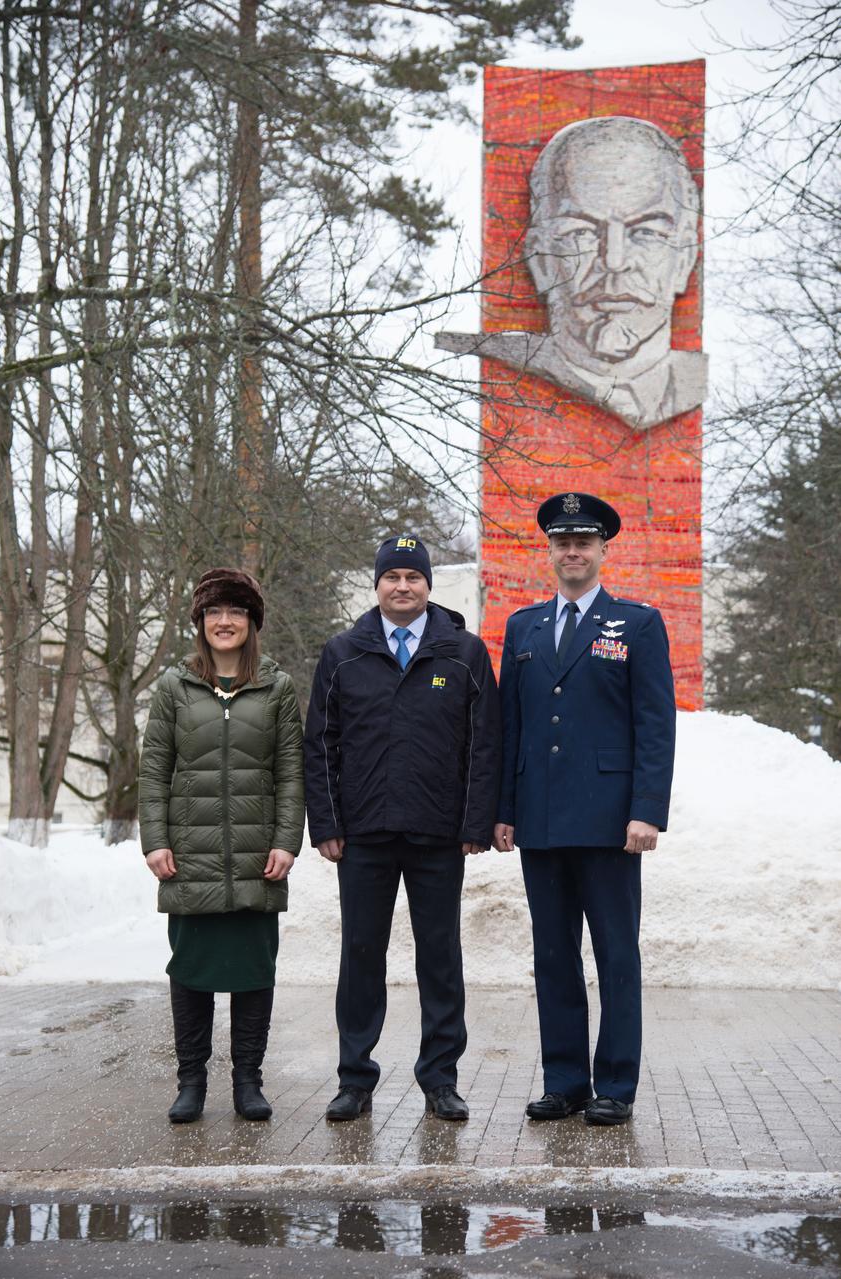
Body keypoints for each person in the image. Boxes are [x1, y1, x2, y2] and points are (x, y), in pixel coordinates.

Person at [494, 493, 676, 1125]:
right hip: (541, 820)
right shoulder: (525, 627)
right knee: (553, 956)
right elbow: (510, 724)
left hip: (609, 822)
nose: (572, 552)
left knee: (616, 954)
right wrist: (504, 807)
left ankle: (615, 1085)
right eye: (561, 543)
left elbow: (656, 725)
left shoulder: (638, 623)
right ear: (549, 551)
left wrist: (647, 809)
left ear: (602, 550)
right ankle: (565, 1080)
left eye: (583, 542)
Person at [304, 536, 500, 1122]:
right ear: (377, 585)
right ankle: (355, 1079)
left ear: (429, 586)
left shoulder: (463, 653)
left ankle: (440, 1078)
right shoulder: (344, 654)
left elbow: (485, 745)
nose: (403, 586)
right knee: (361, 955)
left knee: (440, 957)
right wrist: (327, 824)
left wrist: (475, 823)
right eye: (393, 577)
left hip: (439, 834)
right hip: (363, 834)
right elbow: (320, 746)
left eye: (414, 577)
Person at [139, 567, 304, 1124]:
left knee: (255, 971)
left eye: (235, 611)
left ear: (252, 621)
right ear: (201, 622)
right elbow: (155, 769)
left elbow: (290, 773)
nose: (224, 621)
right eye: (214, 612)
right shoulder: (174, 688)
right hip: (191, 856)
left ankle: (248, 1082)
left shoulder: (277, 688)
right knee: (191, 971)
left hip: (259, 857)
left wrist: (287, 841)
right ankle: (191, 1084)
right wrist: (155, 840)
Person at [437, 115, 707, 430]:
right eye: (582, 233)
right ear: (541, 259)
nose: (615, 261)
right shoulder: (498, 364)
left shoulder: (702, 383)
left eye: (646, 233)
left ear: (685, 257)